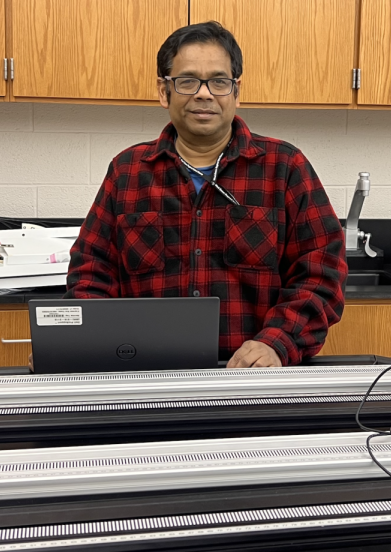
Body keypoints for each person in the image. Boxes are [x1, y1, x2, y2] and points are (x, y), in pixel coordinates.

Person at [66, 21, 347, 368]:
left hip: (252, 379)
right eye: (187, 81)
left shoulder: (284, 167)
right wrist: (80, 344)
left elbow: (322, 272)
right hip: (146, 376)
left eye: (218, 81)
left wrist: (278, 342)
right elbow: (91, 273)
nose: (204, 93)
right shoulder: (128, 172)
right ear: (163, 90)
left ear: (236, 91)